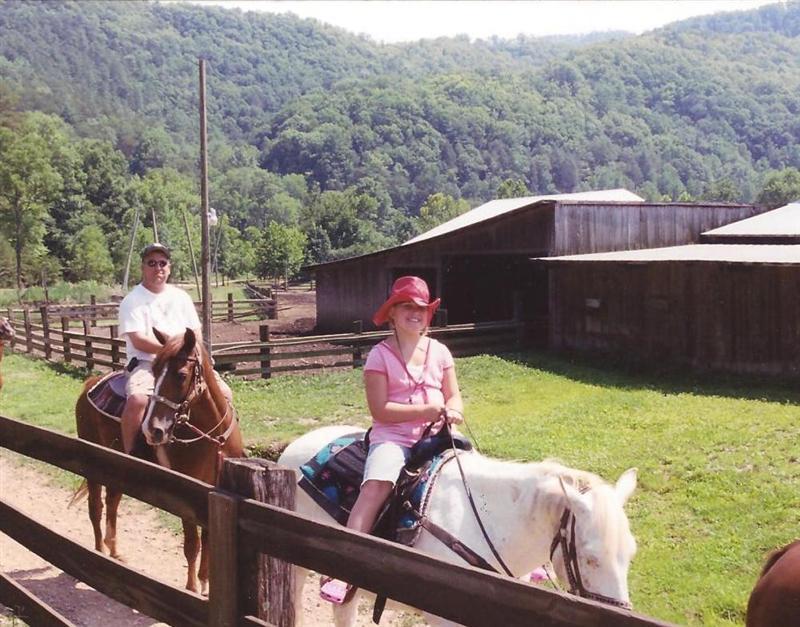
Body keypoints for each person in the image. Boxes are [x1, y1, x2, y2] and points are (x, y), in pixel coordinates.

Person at [320, 276, 464, 604]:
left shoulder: (440, 351)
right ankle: (344, 568)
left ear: (429, 315)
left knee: (474, 472)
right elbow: (380, 410)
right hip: (394, 438)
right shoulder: (379, 356)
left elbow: (454, 394)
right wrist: (425, 410)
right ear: (392, 314)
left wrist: (454, 409)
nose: (415, 313)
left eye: (421, 308)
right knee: (376, 486)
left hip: (436, 434)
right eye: (407, 307)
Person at [118, 243, 232, 454]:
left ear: (169, 268)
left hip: (185, 362)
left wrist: (188, 354)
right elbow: (138, 340)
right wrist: (172, 350)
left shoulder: (181, 297)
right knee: (137, 400)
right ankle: (131, 457)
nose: (158, 268)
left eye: (163, 263)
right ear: (142, 267)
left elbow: (196, 333)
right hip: (148, 363)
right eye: (152, 263)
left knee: (224, 393)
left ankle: (227, 447)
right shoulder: (132, 300)